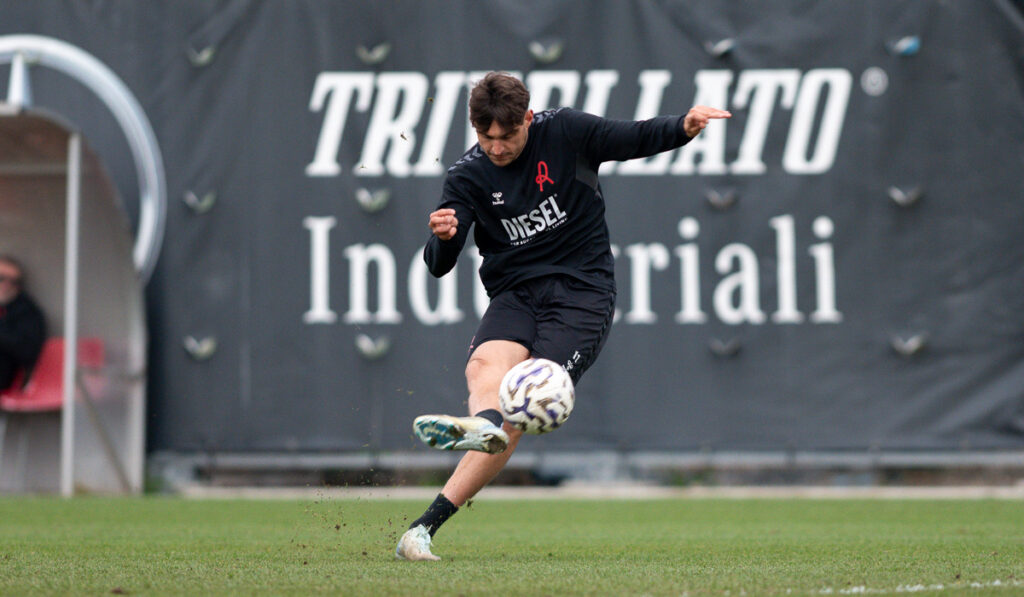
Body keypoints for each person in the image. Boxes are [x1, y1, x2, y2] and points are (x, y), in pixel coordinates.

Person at [395, 72, 731, 561]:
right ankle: (481, 426)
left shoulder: (566, 132)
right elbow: (439, 266)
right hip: (514, 293)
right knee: (484, 369)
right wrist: (443, 238)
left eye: (507, 135)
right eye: (486, 137)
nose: (497, 146)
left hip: (582, 293)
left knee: (522, 401)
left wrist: (684, 124)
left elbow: (632, 137)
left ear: (528, 119)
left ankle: (424, 527)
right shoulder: (466, 177)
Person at [0, 255, 46, 392]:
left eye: (14, 281)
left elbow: (28, 352)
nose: (6, 285)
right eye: (1, 278)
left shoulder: (27, 312)